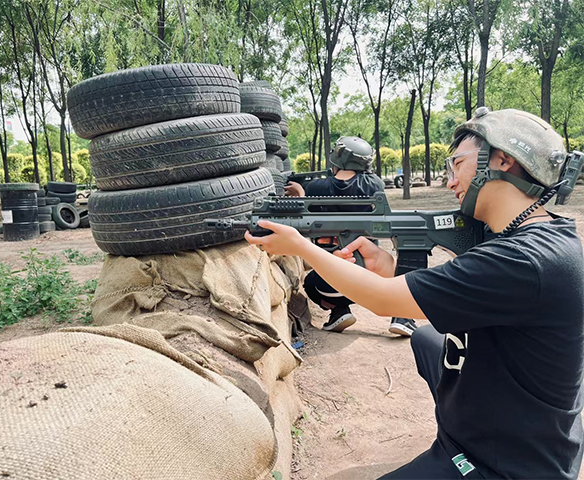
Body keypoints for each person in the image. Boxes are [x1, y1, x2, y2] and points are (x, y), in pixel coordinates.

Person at [246, 107, 584, 479]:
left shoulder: (524, 260)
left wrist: (302, 247)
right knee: (426, 338)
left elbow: (383, 299)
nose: (450, 177)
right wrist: (389, 267)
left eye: (457, 163)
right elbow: (455, 288)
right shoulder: (532, 236)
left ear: (502, 160)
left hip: (510, 463)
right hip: (525, 416)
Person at [284, 136, 415, 335]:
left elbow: (307, 220)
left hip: (332, 281)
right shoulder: (375, 184)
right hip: (370, 279)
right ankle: (402, 317)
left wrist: (302, 194)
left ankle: (339, 310)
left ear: (338, 157)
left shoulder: (316, 188)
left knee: (310, 283)